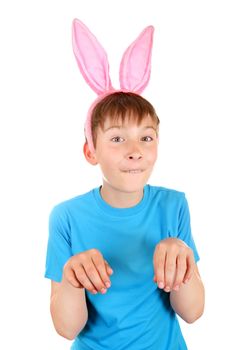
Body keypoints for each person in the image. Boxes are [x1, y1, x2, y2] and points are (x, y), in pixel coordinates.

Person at [44, 19, 205, 350]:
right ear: (91, 151)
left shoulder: (174, 205)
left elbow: (193, 312)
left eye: (146, 137)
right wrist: (72, 279)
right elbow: (66, 328)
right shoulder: (66, 216)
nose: (135, 151)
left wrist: (182, 258)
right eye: (117, 138)